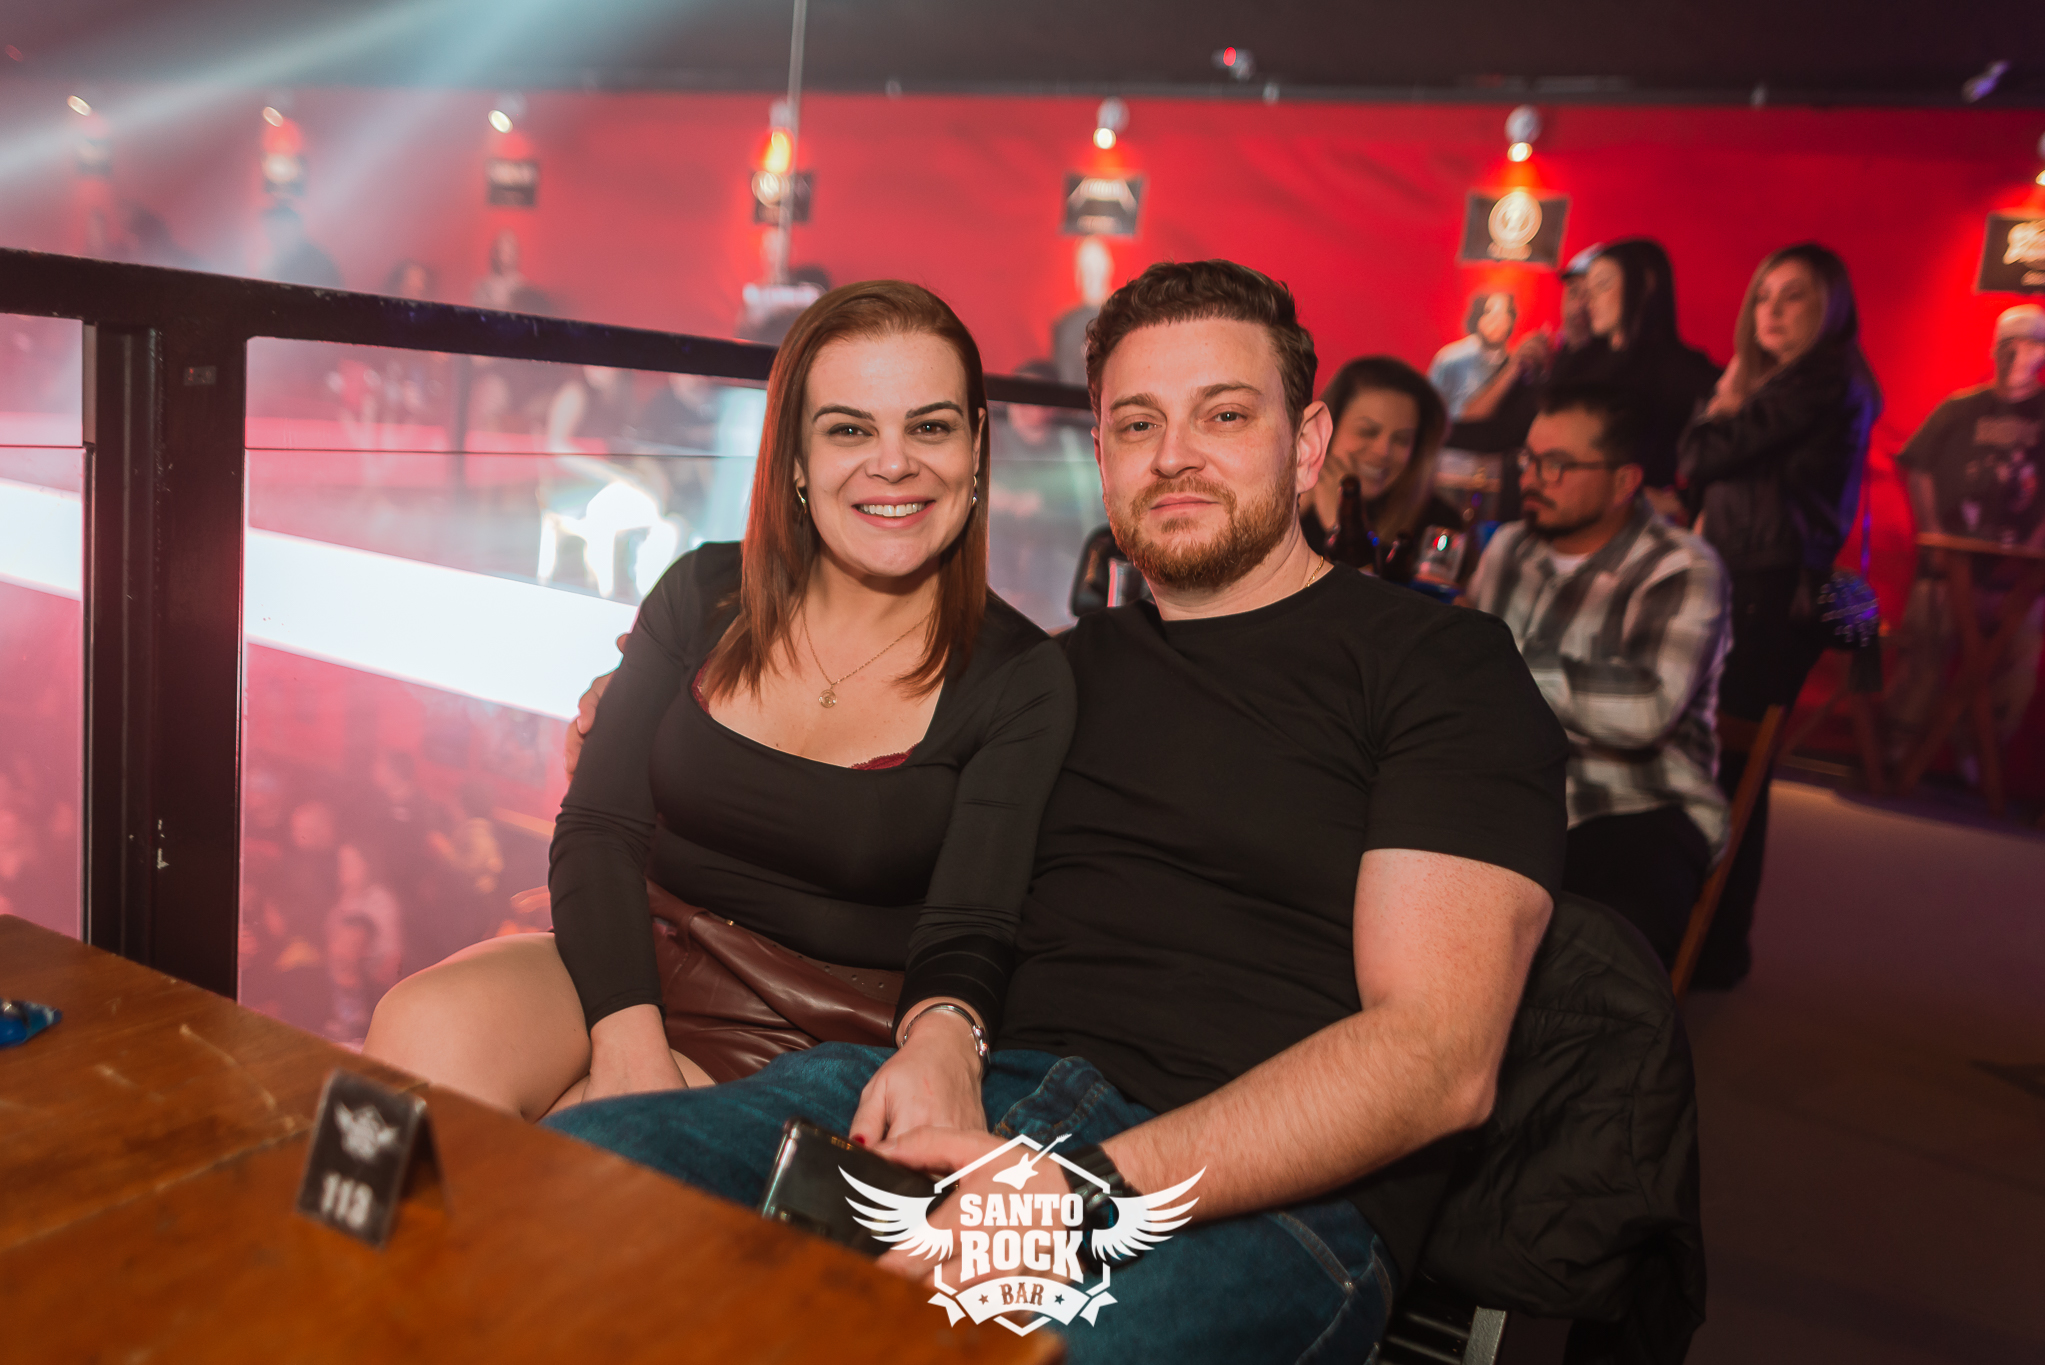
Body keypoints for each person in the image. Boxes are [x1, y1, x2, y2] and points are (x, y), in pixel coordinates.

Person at [544, 260, 1567, 1364]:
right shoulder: (1051, 676)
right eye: (1137, 423)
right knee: (565, 1195)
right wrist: (642, 717)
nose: (1173, 454)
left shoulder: (1440, 667)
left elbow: (1435, 1056)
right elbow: (866, 826)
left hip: (1250, 1189)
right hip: (979, 1101)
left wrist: (1075, 1191)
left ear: (1308, 443)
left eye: (1223, 415)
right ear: (1102, 456)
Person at [364, 281, 1076, 1129]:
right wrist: (629, 1044)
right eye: (849, 429)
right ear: (796, 458)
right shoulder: (702, 590)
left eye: (929, 427)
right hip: (627, 964)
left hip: (817, 1031)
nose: (893, 462)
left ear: (975, 446)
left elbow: (970, 930)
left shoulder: (1018, 675)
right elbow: (598, 827)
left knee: (584, 1155)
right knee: (419, 1032)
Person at [1466, 383, 1730, 964]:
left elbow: (1645, 710)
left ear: (1623, 482)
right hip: (1509, 785)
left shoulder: (1681, 566)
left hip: (1635, 800)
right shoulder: (1509, 547)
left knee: (1602, 958)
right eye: (1529, 459)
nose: (1532, 478)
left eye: (1557, 464)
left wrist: (1492, 659)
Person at [1677, 242, 1881, 988]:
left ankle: (1717, 947)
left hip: (1771, 591)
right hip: (1750, 579)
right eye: (1763, 295)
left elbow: (1700, 455)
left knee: (1736, 762)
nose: (1771, 309)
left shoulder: (1822, 378)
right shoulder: (1791, 382)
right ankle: (1713, 942)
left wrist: (1725, 400)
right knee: (1730, 762)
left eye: (1792, 295)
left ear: (1830, 303)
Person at [1885, 304, 2045, 772]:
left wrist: (2035, 546)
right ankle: (1899, 744)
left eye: (2030, 346)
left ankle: (1979, 750)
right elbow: (1917, 464)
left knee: (2015, 662)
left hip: (2019, 575)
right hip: (1947, 567)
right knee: (1926, 646)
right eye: (2009, 346)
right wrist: (1933, 533)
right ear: (1994, 350)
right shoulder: (1959, 408)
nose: (2018, 355)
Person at [1556, 238, 1719, 498]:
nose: (1589, 300)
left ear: (1646, 283)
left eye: (1603, 285)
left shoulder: (1680, 368)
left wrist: (1682, 500)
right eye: (1588, 289)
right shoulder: (1581, 362)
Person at [1297, 355, 1462, 555]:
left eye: (1401, 439)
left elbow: (1371, 577)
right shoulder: (1288, 499)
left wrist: (1343, 528)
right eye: (1367, 432)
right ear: (1324, 428)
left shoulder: (1440, 524)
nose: (1383, 451)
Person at [1428, 289, 1517, 420]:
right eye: (1489, 312)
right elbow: (1430, 408)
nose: (1497, 321)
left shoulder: (1515, 365)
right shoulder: (1450, 359)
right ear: (1477, 317)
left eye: (1504, 313)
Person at [255, 204, 342, 289]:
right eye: (272, 231)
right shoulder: (270, 263)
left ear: (296, 230)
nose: (274, 236)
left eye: (281, 230)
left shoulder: (318, 262)